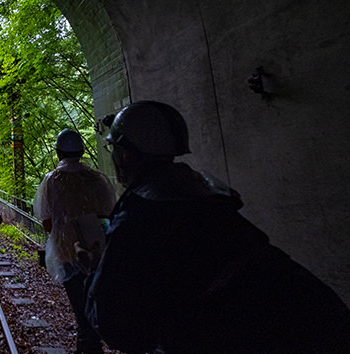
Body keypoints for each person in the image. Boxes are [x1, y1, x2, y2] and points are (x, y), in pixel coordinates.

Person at [83, 100, 350, 354]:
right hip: (316, 319)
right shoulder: (213, 200)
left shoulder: (138, 219)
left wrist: (96, 269)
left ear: (125, 154)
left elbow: (118, 327)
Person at [34, 128, 116, 354]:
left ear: (58, 152)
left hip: (67, 252)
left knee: (80, 307)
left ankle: (88, 345)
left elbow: (47, 222)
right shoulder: (98, 178)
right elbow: (110, 214)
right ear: (81, 151)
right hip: (99, 249)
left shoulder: (52, 181)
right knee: (94, 300)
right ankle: (91, 342)